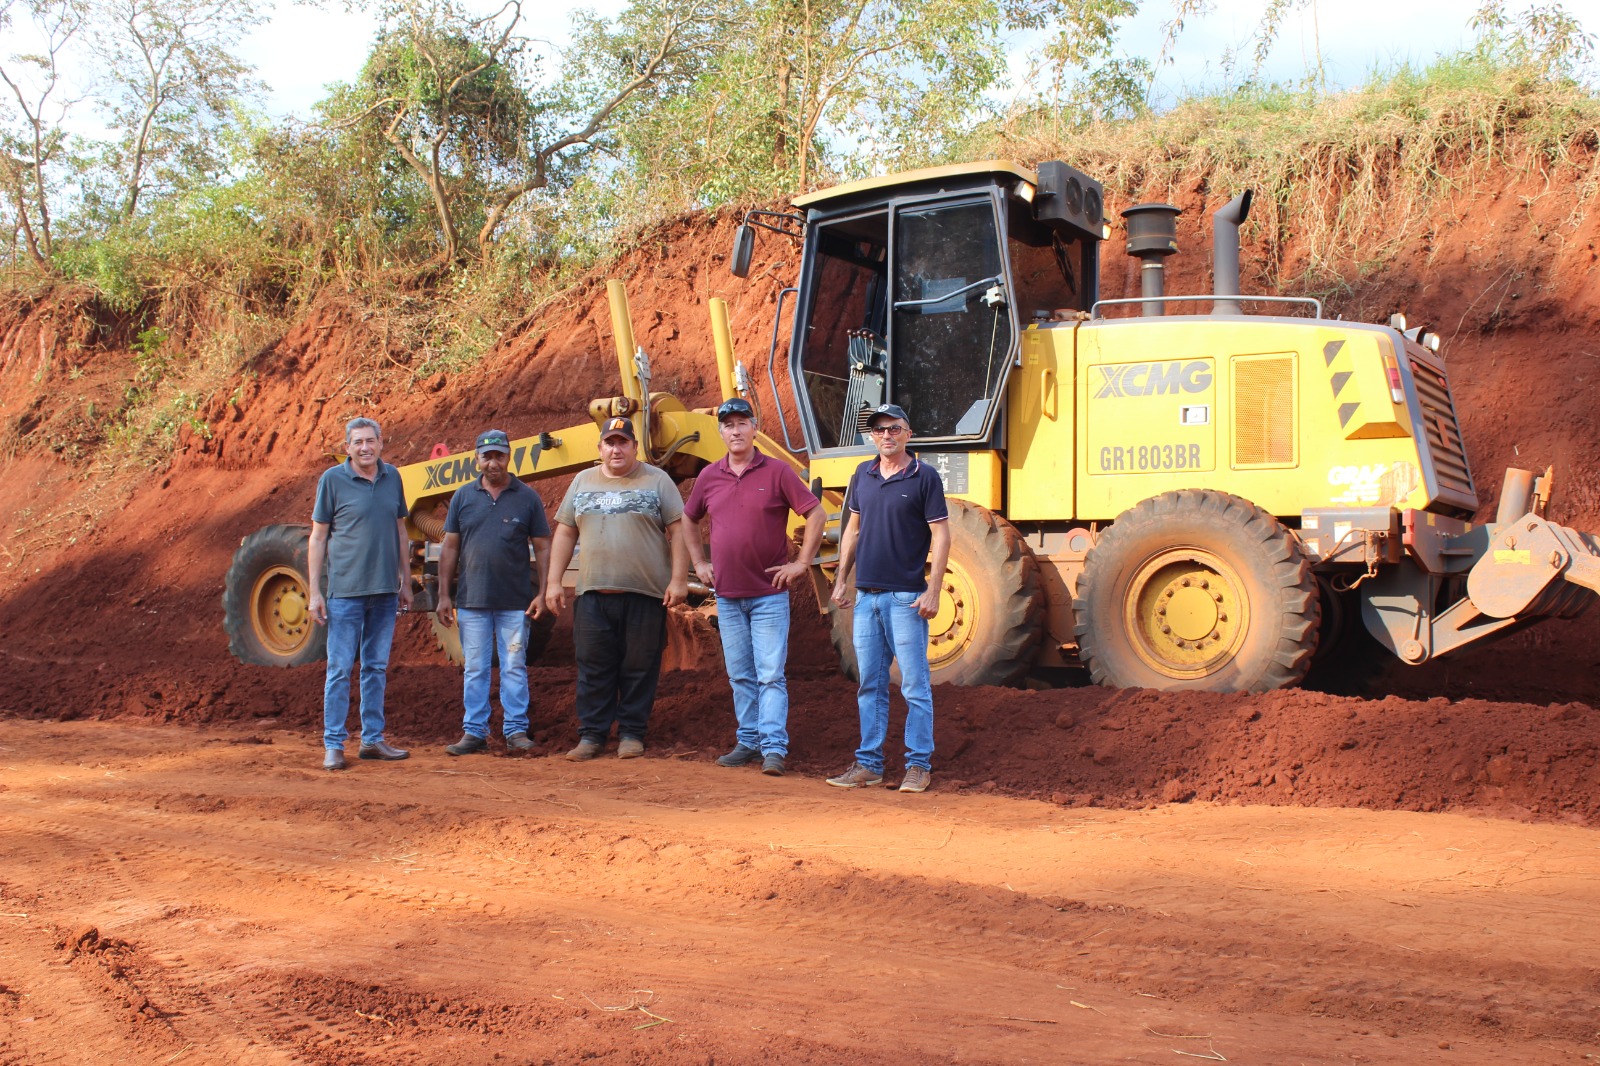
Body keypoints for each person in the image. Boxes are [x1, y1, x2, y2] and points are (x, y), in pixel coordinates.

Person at [684, 397, 826, 777]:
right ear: (721, 432)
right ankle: (748, 741)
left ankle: (774, 748)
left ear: (754, 428)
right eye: (728, 425)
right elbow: (688, 519)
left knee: (770, 674)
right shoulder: (709, 476)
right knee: (741, 674)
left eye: (742, 423)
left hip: (768, 595)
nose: (735, 430)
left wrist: (801, 563)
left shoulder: (777, 472)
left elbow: (816, 512)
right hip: (728, 596)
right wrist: (699, 563)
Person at [543, 416, 689, 760]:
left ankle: (631, 734)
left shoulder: (658, 481)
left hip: (645, 594)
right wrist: (552, 582)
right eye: (610, 442)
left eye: (623, 442)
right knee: (593, 665)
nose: (616, 448)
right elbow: (565, 532)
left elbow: (679, 531)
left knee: (640, 666)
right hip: (593, 595)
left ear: (635, 447)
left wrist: (679, 580)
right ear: (600, 449)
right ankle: (592, 736)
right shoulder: (582, 481)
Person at [826, 403, 949, 793]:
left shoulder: (924, 477)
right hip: (866, 599)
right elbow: (852, 531)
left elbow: (941, 535)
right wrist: (841, 579)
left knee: (914, 684)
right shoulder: (862, 474)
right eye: (879, 430)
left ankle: (917, 765)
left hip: (906, 599)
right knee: (870, 684)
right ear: (873, 436)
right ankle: (869, 765)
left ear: (908, 434)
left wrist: (933, 589)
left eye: (894, 428)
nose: (886, 435)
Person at [435, 429, 553, 756]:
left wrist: (542, 593)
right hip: (472, 601)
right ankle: (474, 732)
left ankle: (515, 731)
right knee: (476, 667)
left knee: (514, 665)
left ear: (508, 456)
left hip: (514, 603)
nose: (493, 462)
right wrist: (444, 596)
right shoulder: (462, 497)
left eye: (498, 455)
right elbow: (450, 547)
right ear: (477, 459)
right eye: (486, 456)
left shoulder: (526, 497)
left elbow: (543, 548)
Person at [308, 416, 414, 771]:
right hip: (345, 593)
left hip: (385, 591)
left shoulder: (392, 477)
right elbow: (319, 537)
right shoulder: (332, 480)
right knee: (339, 669)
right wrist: (314, 591)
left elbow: (401, 531)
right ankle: (334, 744)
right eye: (358, 442)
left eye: (371, 441)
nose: (365, 447)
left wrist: (406, 580)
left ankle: (372, 740)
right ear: (347, 447)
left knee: (376, 667)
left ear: (381, 442)